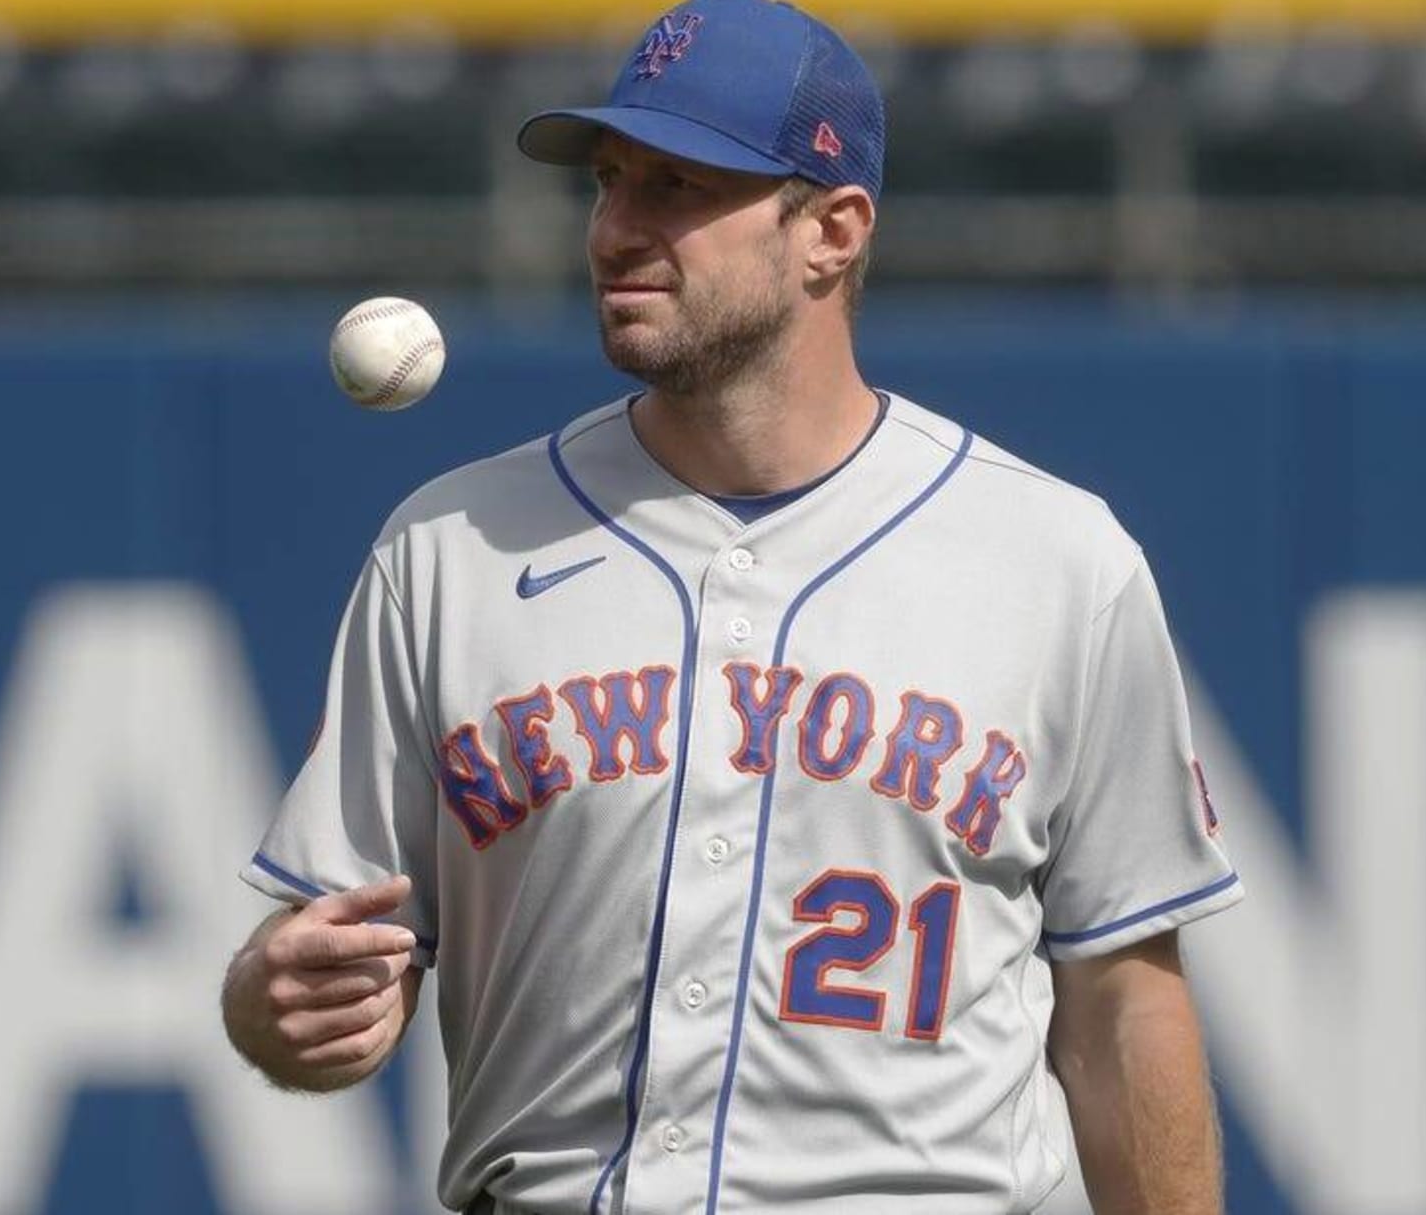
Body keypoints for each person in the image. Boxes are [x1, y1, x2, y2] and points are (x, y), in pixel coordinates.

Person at [222, 2, 1243, 1212]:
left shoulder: (1057, 561)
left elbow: (1126, 1004)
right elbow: (312, 958)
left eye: (677, 186)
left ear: (832, 231)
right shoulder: (448, 548)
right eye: (608, 182)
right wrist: (275, 1007)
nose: (615, 230)